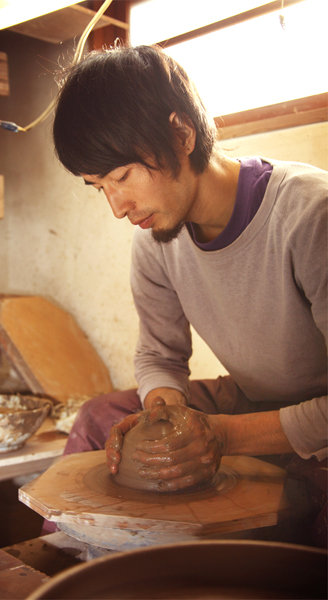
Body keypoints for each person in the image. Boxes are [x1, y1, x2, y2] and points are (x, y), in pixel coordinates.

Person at [49, 44, 327, 544]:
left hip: (318, 417)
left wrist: (222, 436)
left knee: (310, 513)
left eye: (121, 176)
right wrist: (163, 416)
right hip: (249, 399)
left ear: (180, 134)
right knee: (100, 421)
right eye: (99, 187)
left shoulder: (309, 215)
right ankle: (67, 554)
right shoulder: (154, 239)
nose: (117, 207)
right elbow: (159, 353)